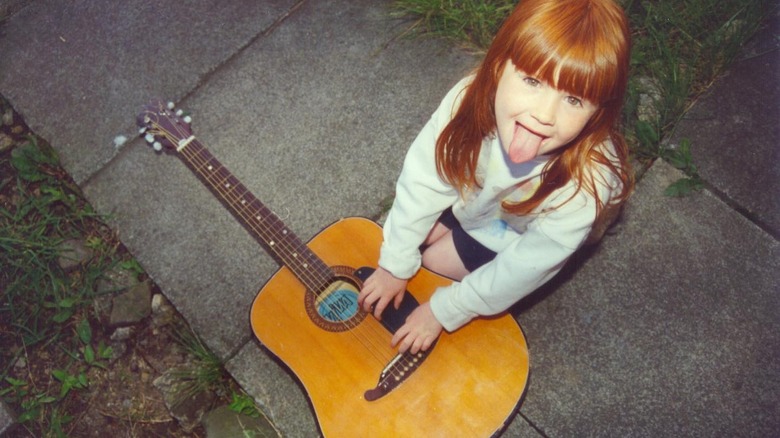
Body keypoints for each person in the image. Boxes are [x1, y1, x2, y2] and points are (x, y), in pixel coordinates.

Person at [357, 0, 634, 355]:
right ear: (499, 64)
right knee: (407, 237)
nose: (544, 114)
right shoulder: (467, 101)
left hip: (517, 230)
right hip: (478, 198)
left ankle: (559, 245)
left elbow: (523, 268)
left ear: (600, 111)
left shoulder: (586, 186)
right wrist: (395, 263)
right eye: (533, 80)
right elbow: (424, 179)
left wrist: (445, 310)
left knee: (432, 262)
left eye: (575, 100)